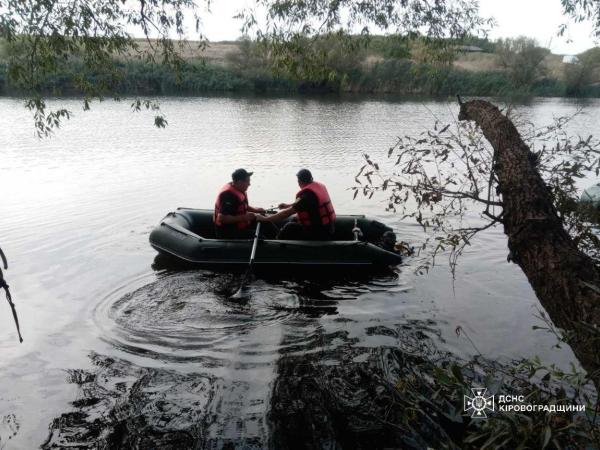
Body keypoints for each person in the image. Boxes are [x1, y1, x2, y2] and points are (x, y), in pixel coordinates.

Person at [258, 169, 336, 240]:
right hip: (328, 228)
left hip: (318, 233)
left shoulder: (306, 196)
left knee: (290, 226)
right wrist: (287, 206)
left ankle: (277, 241)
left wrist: (265, 219)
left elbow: (285, 214)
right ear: (311, 179)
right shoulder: (317, 188)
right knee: (295, 219)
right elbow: (306, 204)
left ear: (299, 182)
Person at [213, 168, 267, 239]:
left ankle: (278, 238)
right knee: (260, 238)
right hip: (228, 231)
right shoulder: (228, 195)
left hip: (240, 225)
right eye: (247, 181)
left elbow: (242, 206)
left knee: (265, 219)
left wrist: (256, 210)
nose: (249, 184)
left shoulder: (238, 189)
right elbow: (222, 218)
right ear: (239, 182)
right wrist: (244, 217)